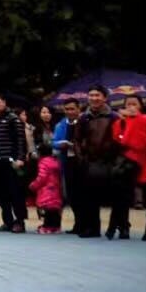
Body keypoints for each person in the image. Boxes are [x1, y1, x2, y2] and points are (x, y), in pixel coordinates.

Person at [73, 84, 122, 239]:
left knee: (115, 197)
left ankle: (120, 227)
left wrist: (115, 160)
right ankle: (91, 228)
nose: (94, 98)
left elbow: (120, 140)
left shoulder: (114, 117)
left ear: (105, 98)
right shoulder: (83, 117)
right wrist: (81, 158)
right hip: (89, 162)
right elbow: (76, 140)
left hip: (109, 162)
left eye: (97, 95)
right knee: (88, 197)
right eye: (91, 95)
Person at [115, 95, 146, 241]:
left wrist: (136, 125)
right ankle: (124, 228)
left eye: (134, 103)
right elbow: (118, 138)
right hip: (128, 163)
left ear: (140, 105)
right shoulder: (121, 121)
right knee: (124, 198)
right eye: (128, 104)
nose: (131, 106)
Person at [0, 94, 27, 233]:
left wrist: (20, 158)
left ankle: (20, 222)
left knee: (15, 193)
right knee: (2, 193)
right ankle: (7, 222)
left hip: (11, 161)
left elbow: (21, 140)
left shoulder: (13, 118)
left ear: (4, 102)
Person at [52, 98, 82, 231]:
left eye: (72, 109)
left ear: (78, 109)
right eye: (67, 109)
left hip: (83, 162)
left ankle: (85, 223)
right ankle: (78, 223)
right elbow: (54, 142)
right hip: (67, 161)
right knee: (71, 193)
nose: (69, 112)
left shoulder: (84, 122)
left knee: (84, 194)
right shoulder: (60, 125)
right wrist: (61, 144)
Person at [28, 141, 63, 234]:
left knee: (48, 210)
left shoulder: (43, 163)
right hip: (55, 189)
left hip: (46, 190)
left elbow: (42, 177)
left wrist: (33, 185)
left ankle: (47, 226)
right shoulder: (55, 162)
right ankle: (56, 226)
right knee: (55, 209)